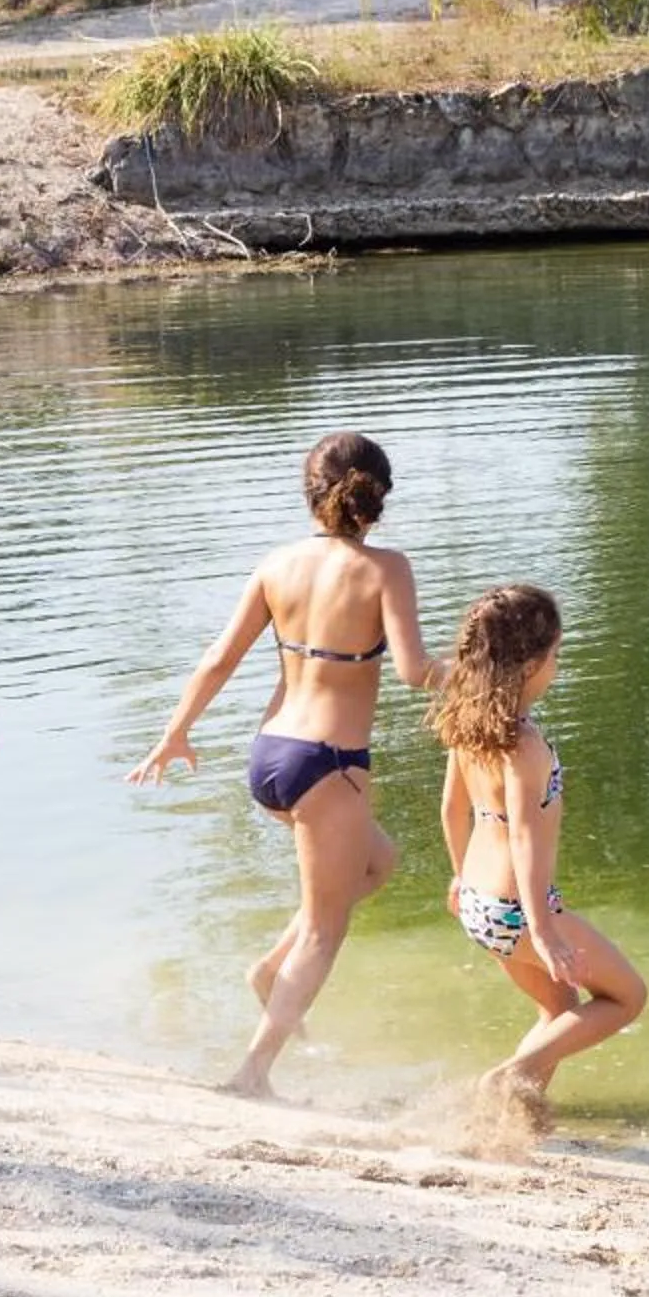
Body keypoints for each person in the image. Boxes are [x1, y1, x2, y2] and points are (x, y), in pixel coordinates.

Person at [123, 432, 438, 1097]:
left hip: (271, 759)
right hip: (330, 766)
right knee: (325, 931)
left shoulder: (277, 564)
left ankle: (271, 970)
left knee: (377, 863)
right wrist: (476, 675)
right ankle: (253, 1071)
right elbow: (413, 672)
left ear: (312, 496)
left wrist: (174, 734)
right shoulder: (387, 569)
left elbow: (217, 660)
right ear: (378, 500)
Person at [433, 584, 647, 1123]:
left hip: (480, 901)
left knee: (557, 1010)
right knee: (627, 998)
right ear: (529, 663)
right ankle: (504, 1078)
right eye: (556, 655)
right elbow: (525, 836)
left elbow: (451, 810)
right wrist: (545, 929)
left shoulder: (468, 722)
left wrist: (459, 879)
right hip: (517, 908)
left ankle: (515, 1120)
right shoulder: (522, 743)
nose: (557, 666)